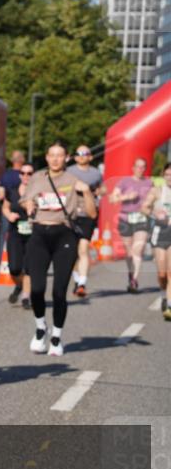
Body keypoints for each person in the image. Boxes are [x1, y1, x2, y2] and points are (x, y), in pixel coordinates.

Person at [21, 142, 96, 356]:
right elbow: (25, 199)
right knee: (37, 289)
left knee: (59, 291)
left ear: (67, 158)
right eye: (52, 155)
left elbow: (92, 214)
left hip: (64, 235)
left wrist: (87, 191)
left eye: (59, 155)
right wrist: (28, 204)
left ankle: (56, 337)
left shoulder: (73, 180)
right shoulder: (37, 178)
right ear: (46, 157)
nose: (55, 159)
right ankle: (40, 327)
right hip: (39, 234)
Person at [109, 157, 154, 293]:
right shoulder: (124, 182)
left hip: (142, 219)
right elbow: (112, 199)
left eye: (143, 167)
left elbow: (154, 199)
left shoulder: (149, 183)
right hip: (125, 219)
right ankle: (131, 273)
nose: (140, 169)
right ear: (133, 168)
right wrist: (126, 197)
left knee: (137, 250)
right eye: (138, 166)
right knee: (129, 252)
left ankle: (134, 280)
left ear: (145, 169)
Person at [67, 145, 105, 297]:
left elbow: (103, 189)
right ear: (75, 157)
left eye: (85, 153)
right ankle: (77, 280)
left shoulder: (96, 173)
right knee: (72, 253)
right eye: (78, 153)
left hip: (88, 214)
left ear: (90, 156)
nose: (81, 155)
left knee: (83, 249)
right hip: (71, 214)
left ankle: (82, 283)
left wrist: (98, 191)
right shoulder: (69, 171)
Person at [1, 162, 35, 309]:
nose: (26, 176)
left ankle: (26, 297)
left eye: (29, 173)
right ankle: (20, 285)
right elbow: (5, 207)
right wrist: (9, 215)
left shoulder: (38, 191)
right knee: (14, 268)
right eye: (23, 173)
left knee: (29, 267)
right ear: (19, 175)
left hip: (33, 234)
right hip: (15, 232)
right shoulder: (12, 191)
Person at [142, 163, 171, 321]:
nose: (170, 177)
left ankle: (170, 306)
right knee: (162, 273)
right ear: (163, 176)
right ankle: (163, 294)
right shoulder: (157, 191)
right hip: (160, 233)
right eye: (167, 174)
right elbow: (144, 208)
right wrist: (155, 213)